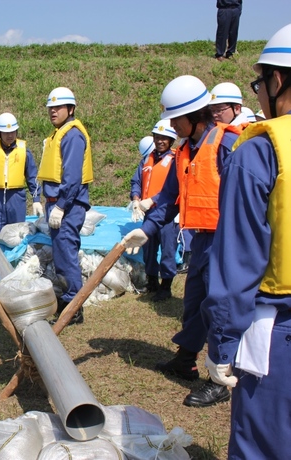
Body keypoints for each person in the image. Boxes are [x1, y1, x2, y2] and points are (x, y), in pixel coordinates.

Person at [122, 75, 241, 408]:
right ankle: (185, 359)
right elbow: (169, 197)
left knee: (219, 307)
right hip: (200, 240)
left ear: (194, 116)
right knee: (194, 304)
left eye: (176, 119)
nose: (172, 126)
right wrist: (147, 228)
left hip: (227, 241)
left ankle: (220, 378)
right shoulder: (185, 151)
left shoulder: (227, 145)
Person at [201, 23, 291, 459]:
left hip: (278, 330)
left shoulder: (260, 151)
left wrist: (222, 341)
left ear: (277, 81)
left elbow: (238, 261)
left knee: (263, 444)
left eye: (258, 83)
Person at [38, 88, 93, 325]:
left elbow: (72, 178)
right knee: (61, 255)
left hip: (67, 206)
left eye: (58, 107)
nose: (53, 111)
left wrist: (60, 206)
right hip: (58, 204)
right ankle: (68, 301)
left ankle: (74, 307)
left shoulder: (71, 136)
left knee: (67, 254)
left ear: (70, 109)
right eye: (50, 107)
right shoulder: (59, 133)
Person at [129, 120, 179, 301]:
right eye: (157, 137)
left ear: (171, 140)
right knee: (149, 250)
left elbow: (176, 188)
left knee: (168, 250)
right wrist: (136, 199)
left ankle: (166, 287)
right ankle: (152, 282)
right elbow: (136, 181)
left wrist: (153, 200)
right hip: (148, 213)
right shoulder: (146, 159)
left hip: (167, 213)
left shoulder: (175, 161)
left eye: (164, 138)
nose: (160, 141)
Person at [0, 113, 42, 238]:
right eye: (6, 132)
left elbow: (32, 177)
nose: (10, 135)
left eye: (13, 132)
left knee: (17, 234)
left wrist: (36, 199)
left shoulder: (24, 152)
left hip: (17, 197)